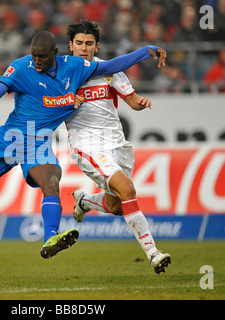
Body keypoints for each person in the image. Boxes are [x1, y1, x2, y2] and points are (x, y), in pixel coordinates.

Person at [0, 30, 166, 259]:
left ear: (55, 52)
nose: (38, 61)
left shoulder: (73, 67)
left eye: (42, 56)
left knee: (52, 181)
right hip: (10, 139)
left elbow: (109, 66)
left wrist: (145, 51)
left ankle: (50, 239)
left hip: (38, 142)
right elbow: (0, 86)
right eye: (34, 56)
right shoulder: (22, 66)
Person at [66, 20, 171, 274]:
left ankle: (85, 202)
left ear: (96, 46)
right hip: (87, 144)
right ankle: (153, 254)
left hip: (117, 144)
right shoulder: (63, 74)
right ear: (70, 46)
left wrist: (140, 102)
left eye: (88, 43)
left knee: (116, 206)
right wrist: (69, 101)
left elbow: (131, 100)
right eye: (79, 43)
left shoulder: (109, 71)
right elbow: (50, 105)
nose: (83, 48)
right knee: (127, 188)